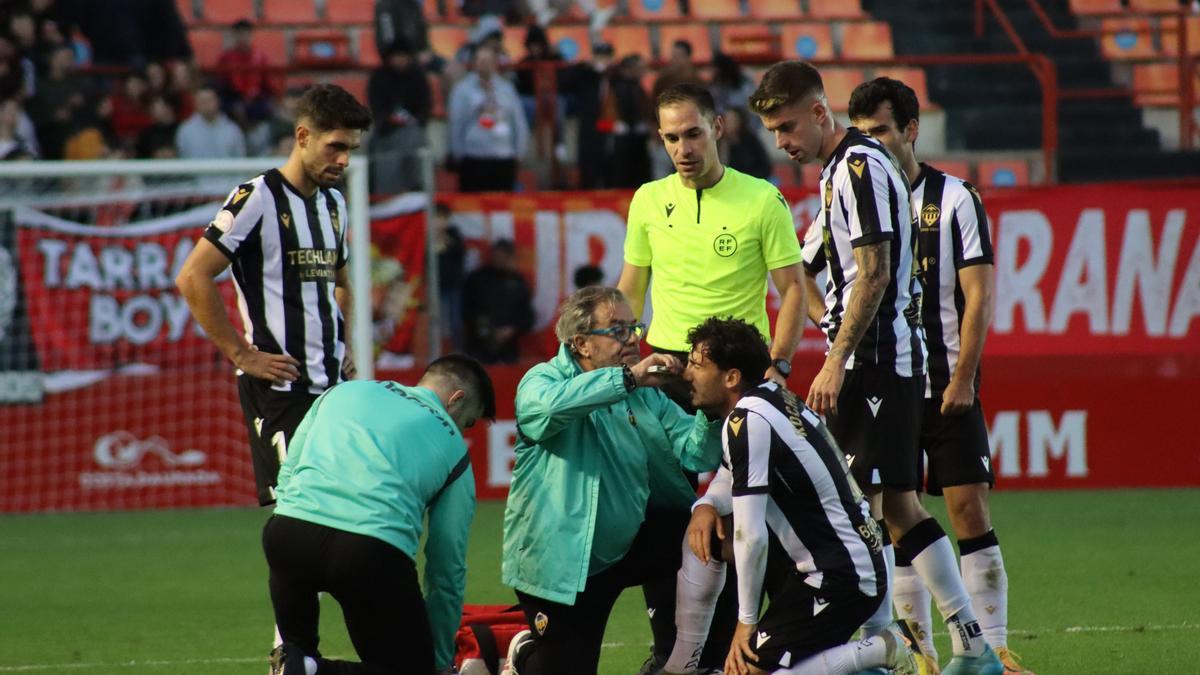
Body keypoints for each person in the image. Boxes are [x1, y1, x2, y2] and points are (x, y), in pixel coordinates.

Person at [749, 61, 1003, 674]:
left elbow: (877, 270)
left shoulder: (859, 167)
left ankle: (885, 647)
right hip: (878, 357)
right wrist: (831, 328)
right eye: (772, 132)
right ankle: (965, 647)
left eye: (787, 127)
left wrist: (836, 357)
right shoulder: (844, 169)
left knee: (863, 511)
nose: (782, 142)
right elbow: (814, 273)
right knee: (893, 510)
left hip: (878, 363)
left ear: (818, 112)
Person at [617, 82, 806, 674]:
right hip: (671, 373)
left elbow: (794, 289)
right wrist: (621, 354)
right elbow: (631, 288)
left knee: (751, 513)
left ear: (718, 127)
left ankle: (769, 641)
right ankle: (674, 649)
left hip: (735, 376)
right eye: (671, 137)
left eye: (692, 133)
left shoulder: (762, 200)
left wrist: (778, 364)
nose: (683, 148)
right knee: (669, 515)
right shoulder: (648, 200)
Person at [848, 77, 1031, 675]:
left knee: (968, 512)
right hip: (888, 382)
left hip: (946, 384)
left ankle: (994, 649)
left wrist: (964, 379)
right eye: (863, 133)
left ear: (910, 130)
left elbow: (977, 298)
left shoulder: (954, 199)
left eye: (880, 130)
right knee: (896, 517)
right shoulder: (856, 197)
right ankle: (923, 655)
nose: (871, 143)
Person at [673, 316, 916, 675]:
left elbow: (750, 535)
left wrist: (746, 622)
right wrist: (707, 504)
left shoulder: (746, 421)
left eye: (697, 365)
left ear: (731, 378)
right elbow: (733, 472)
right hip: (846, 565)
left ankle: (880, 650)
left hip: (839, 577)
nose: (687, 374)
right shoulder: (771, 398)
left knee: (750, 671)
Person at [500, 286, 723, 675]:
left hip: (625, 545)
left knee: (717, 534)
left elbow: (697, 454)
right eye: (618, 330)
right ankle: (520, 654)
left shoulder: (644, 395)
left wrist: (707, 405)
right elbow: (545, 412)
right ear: (581, 344)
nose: (633, 339)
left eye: (634, 328)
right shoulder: (542, 379)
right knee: (564, 668)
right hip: (563, 561)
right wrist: (629, 378)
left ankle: (686, 661)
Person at [176, 83, 371, 507]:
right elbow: (192, 277)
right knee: (305, 514)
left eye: (351, 149)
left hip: (334, 387)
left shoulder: (333, 204)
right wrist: (241, 355)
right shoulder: (257, 197)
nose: (344, 160)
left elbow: (342, 284)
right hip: (281, 389)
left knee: (345, 514)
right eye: (336, 146)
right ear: (303, 137)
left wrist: (343, 344)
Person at [265, 355, 496, 675]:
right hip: (369, 551)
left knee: (296, 659)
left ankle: (301, 664)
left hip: (287, 536)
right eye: (467, 422)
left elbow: (288, 472)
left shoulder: (342, 392)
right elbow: (446, 566)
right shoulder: (455, 449)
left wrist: (288, 520)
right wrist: (441, 661)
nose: (463, 431)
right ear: (457, 399)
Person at [446, 43, 529, 192]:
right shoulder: (463, 89)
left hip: (503, 157)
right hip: (473, 158)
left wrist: (519, 152)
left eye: (488, 61)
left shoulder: (506, 88)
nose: (484, 65)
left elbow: (518, 122)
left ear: (495, 63)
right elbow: (456, 123)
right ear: (474, 62)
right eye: (480, 60)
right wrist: (458, 154)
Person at [367, 39, 432, 193]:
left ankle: (415, 191)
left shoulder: (417, 77)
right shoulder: (379, 77)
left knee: (415, 142)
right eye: (397, 56)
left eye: (404, 56)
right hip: (385, 134)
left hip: (412, 132)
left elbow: (424, 108)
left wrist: (414, 120)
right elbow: (377, 109)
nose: (400, 60)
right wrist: (389, 121)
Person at [461, 239, 534, 364]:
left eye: (504, 255)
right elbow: (467, 309)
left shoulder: (517, 282)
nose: (500, 259)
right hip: (479, 345)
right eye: (497, 255)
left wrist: (510, 329)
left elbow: (527, 315)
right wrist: (486, 329)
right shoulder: (477, 278)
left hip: (508, 347)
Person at [216, 19, 278, 124]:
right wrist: (236, 101)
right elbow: (222, 84)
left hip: (256, 101)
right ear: (234, 36)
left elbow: (268, 85)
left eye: (246, 33)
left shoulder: (261, 57)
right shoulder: (226, 58)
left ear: (251, 35)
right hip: (233, 100)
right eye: (239, 33)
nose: (243, 37)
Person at [174, 83, 246, 159]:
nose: (206, 105)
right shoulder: (185, 131)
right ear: (195, 103)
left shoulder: (233, 130)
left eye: (209, 100)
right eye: (202, 101)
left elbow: (240, 160)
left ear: (218, 101)